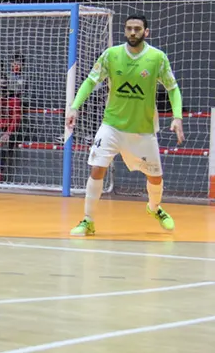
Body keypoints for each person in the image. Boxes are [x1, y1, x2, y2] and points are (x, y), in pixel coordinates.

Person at [67, 14, 185, 236]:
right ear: (124, 31)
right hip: (111, 126)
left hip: (143, 130)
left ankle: (154, 208)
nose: (132, 32)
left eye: (137, 29)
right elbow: (91, 80)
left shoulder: (157, 58)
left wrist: (176, 116)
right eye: (129, 28)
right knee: (96, 168)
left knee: (155, 178)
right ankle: (88, 220)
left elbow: (173, 88)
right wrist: (74, 107)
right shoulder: (111, 55)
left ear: (146, 32)